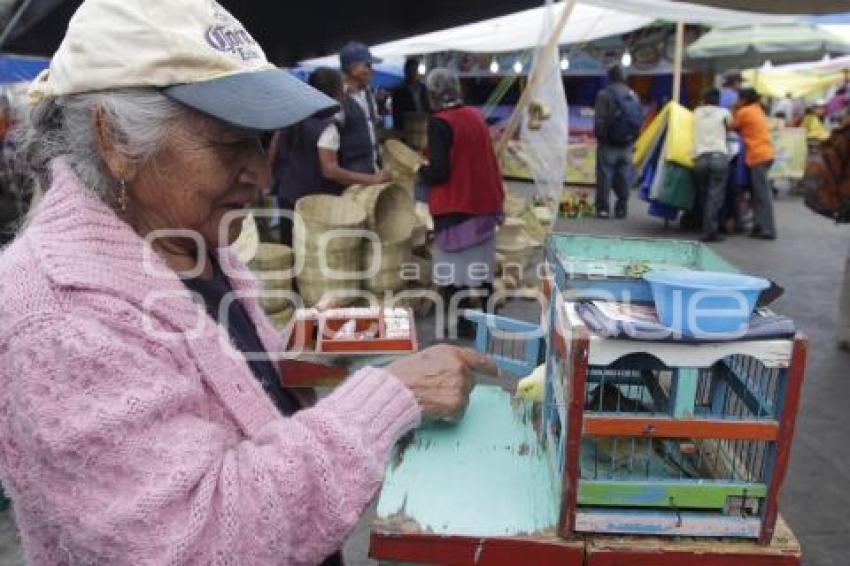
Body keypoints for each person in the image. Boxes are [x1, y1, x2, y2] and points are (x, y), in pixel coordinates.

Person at [0, 1, 492, 564]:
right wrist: (388, 399)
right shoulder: (59, 318)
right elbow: (204, 540)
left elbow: (220, 391)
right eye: (230, 144)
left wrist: (294, 360)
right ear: (113, 141)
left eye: (260, 142)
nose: (260, 174)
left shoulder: (191, 240)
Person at [418, 68, 504, 339]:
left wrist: (421, 171)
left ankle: (466, 326)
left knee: (457, 273)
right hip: (484, 202)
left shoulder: (439, 122)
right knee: (482, 269)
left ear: (432, 95)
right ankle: (489, 321)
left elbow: (440, 171)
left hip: (458, 206)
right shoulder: (475, 115)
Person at [270, 67, 390, 244]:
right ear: (337, 93)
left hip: (287, 194)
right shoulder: (327, 127)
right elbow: (329, 170)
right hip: (314, 203)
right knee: (310, 254)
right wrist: (372, 179)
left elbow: (275, 145)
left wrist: (270, 176)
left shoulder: (294, 114)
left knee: (289, 247)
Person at [594, 64, 643, 219]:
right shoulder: (633, 95)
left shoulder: (604, 94)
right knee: (623, 177)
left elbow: (599, 120)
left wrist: (601, 138)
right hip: (628, 144)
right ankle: (621, 208)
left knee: (605, 176)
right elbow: (639, 119)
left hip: (608, 144)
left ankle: (603, 209)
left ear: (610, 77)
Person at [733, 88, 777, 240]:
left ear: (744, 100)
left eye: (738, 99)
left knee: (761, 195)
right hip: (766, 154)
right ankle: (758, 226)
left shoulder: (744, 112)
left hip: (757, 156)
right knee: (756, 193)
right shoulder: (757, 109)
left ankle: (768, 229)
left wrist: (734, 109)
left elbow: (732, 127)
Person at [693, 88, 732, 242]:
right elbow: (730, 128)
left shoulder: (696, 112)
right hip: (719, 156)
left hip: (701, 158)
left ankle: (704, 226)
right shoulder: (724, 113)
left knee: (704, 195)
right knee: (714, 197)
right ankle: (710, 232)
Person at [338, 41, 383, 175]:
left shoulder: (369, 94)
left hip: (373, 169)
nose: (371, 70)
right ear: (353, 69)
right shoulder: (338, 99)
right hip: (352, 176)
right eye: (367, 65)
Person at [392, 57, 431, 132]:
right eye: (411, 70)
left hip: (423, 123)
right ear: (406, 71)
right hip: (407, 125)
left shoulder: (422, 87)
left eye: (415, 70)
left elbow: (427, 105)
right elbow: (396, 112)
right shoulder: (399, 90)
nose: (413, 73)